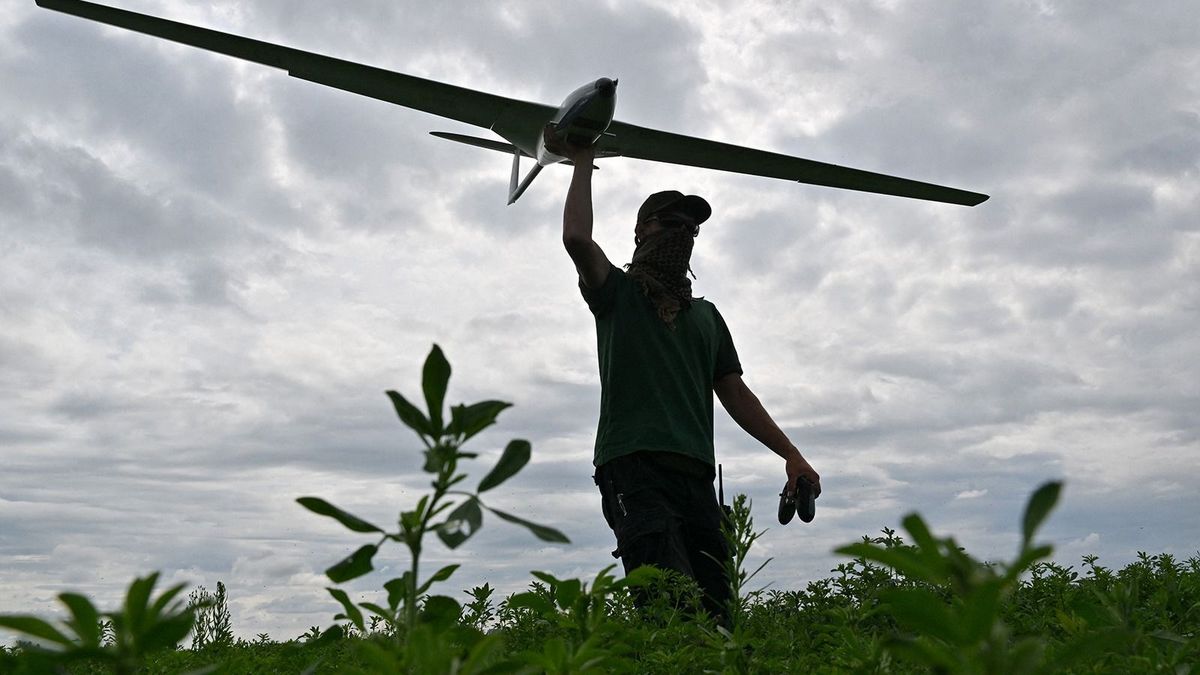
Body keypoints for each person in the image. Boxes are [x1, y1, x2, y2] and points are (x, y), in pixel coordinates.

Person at [548, 126, 821, 622]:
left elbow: (735, 394)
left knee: (718, 614)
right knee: (668, 609)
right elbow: (575, 238)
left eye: (692, 228)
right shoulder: (618, 295)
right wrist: (582, 157)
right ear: (641, 232)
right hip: (634, 468)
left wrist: (792, 456)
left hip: (695, 476)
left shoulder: (707, 317)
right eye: (670, 223)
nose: (683, 234)